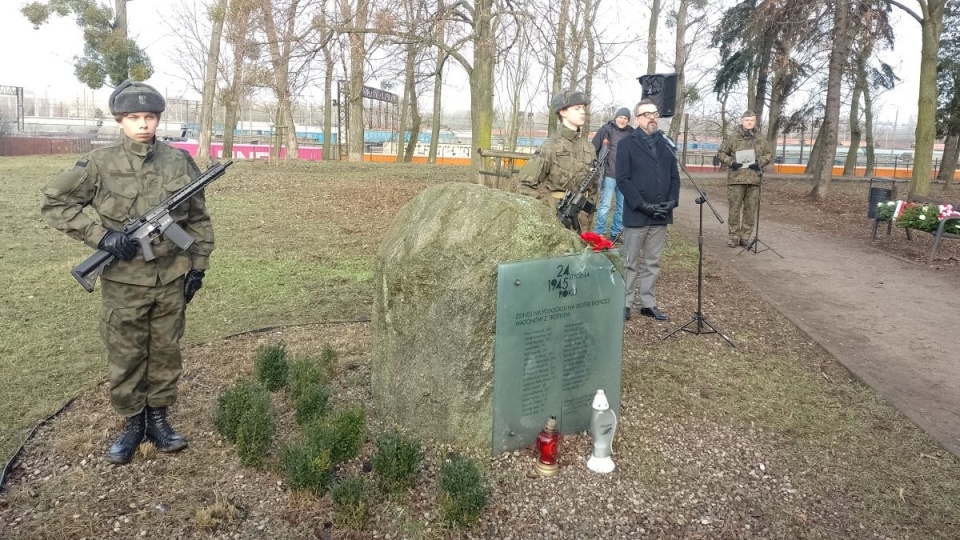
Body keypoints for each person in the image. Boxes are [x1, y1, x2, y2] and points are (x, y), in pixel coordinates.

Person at [40, 80, 215, 465]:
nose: (142, 124)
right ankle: (132, 424)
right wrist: (102, 237)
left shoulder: (179, 162)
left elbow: (198, 219)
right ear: (119, 120)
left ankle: (159, 420)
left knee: (166, 351)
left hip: (171, 277)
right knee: (126, 354)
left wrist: (197, 267)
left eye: (149, 117)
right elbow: (55, 203)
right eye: (133, 117)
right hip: (123, 283)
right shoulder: (99, 164)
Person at [615, 99, 680, 322]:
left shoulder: (666, 144)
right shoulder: (626, 144)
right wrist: (642, 205)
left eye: (655, 113)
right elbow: (623, 180)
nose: (652, 117)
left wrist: (672, 202)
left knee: (653, 261)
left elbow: (674, 177)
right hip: (637, 213)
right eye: (646, 114)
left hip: (661, 213)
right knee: (630, 261)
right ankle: (624, 303)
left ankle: (647, 303)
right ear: (637, 119)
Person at [517, 90, 598, 221]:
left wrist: (589, 207)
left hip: (583, 218)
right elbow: (525, 184)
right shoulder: (550, 146)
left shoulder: (589, 147)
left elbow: (594, 185)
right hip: (557, 215)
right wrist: (545, 211)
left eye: (584, 108)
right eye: (577, 108)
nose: (583, 112)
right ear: (563, 112)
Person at [716, 110, 773, 247]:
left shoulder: (759, 138)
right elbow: (721, 153)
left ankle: (745, 236)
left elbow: (769, 154)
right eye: (747, 120)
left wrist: (759, 162)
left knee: (750, 210)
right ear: (741, 121)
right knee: (734, 209)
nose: (749, 123)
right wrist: (731, 162)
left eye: (752, 120)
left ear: (755, 122)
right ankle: (733, 236)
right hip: (737, 179)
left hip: (754, 180)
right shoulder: (733, 137)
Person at [591, 107, 634, 241]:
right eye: (620, 117)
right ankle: (599, 232)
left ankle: (616, 232)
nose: (622, 120)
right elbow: (593, 149)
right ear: (616, 118)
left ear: (628, 121)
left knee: (622, 206)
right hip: (609, 174)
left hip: (625, 177)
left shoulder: (632, 134)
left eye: (625, 118)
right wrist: (595, 168)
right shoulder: (606, 130)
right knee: (605, 205)